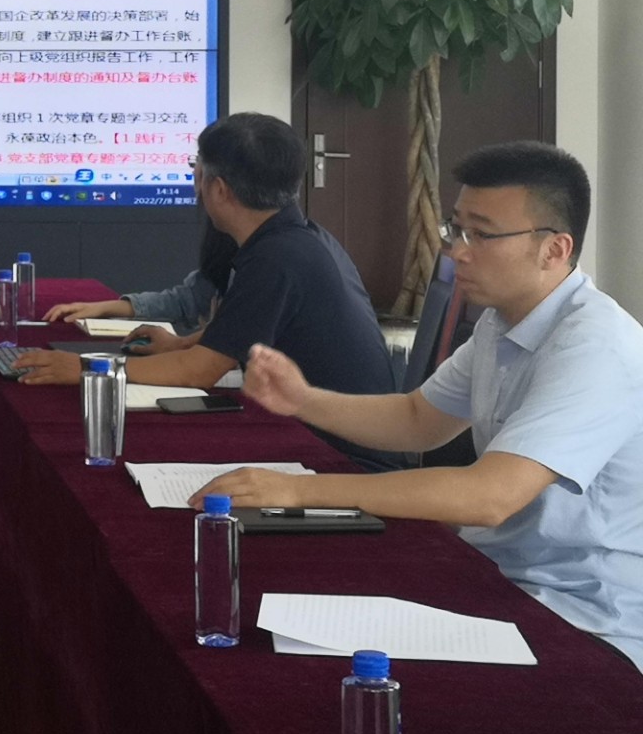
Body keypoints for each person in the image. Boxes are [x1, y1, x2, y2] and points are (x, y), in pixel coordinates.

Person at [199, 142, 643, 673]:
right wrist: (304, 400)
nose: (457, 252)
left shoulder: (596, 348)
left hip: (583, 616)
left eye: (481, 235)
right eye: (457, 229)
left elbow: (489, 496)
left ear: (554, 249)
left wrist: (297, 490)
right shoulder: (502, 321)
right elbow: (418, 419)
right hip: (496, 575)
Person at [14, 113, 399, 466]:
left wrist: (88, 369)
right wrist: (182, 344)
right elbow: (250, 327)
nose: (194, 181)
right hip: (330, 436)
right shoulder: (298, 238)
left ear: (218, 189)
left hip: (343, 457)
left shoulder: (277, 258)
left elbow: (198, 373)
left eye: (195, 169)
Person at [46, 219, 236, 356]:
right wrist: (105, 308)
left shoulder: (253, 260)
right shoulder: (225, 240)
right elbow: (186, 301)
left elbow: (238, 334)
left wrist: (182, 344)